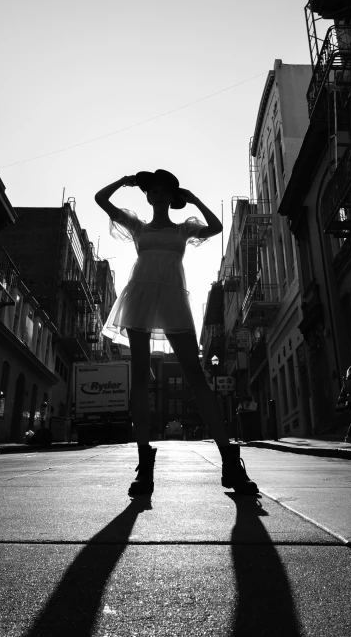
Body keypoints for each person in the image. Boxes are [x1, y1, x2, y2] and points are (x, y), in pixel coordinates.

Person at [95, 169, 258, 496]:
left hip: (172, 299)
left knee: (196, 376)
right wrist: (126, 180)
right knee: (140, 375)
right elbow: (101, 199)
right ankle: (145, 463)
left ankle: (229, 460)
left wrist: (194, 198)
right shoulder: (138, 226)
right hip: (140, 297)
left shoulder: (184, 229)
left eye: (163, 190)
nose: (156, 193)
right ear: (148, 196)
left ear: (172, 196)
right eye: (151, 190)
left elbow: (216, 226)